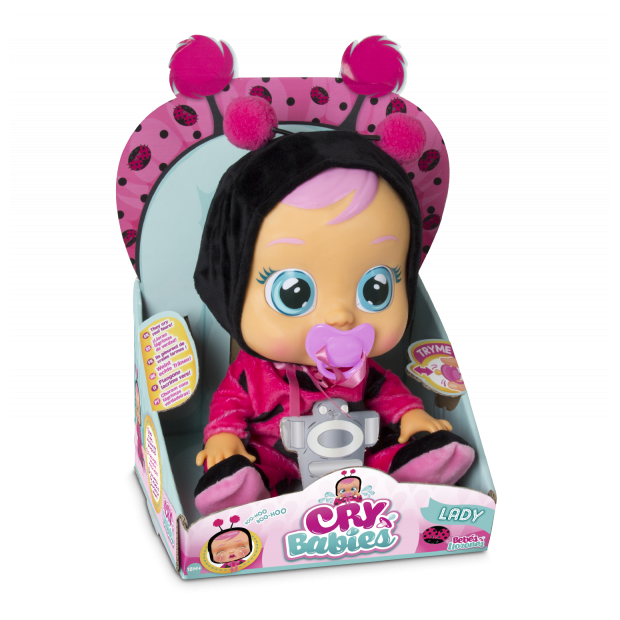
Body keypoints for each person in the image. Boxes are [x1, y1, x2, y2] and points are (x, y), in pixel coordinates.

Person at [192, 128, 475, 517]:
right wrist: (223, 437)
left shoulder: (358, 368)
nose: (340, 316)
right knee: (247, 464)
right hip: (275, 450)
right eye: (294, 294)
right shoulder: (254, 372)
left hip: (353, 452)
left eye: (376, 288)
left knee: (384, 451)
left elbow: (386, 391)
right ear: (231, 288)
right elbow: (230, 402)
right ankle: (243, 488)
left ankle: (410, 468)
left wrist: (411, 414)